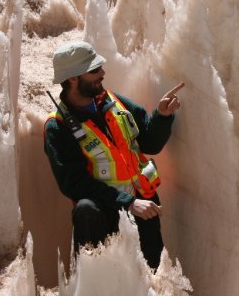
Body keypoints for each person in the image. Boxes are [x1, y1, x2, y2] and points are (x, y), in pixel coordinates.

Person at [43, 41, 183, 270]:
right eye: (94, 70)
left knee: (150, 281)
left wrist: (162, 116)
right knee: (85, 210)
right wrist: (127, 203)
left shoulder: (113, 101)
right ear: (73, 79)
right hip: (104, 214)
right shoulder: (57, 128)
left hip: (142, 205)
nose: (102, 73)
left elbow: (149, 141)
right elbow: (74, 184)